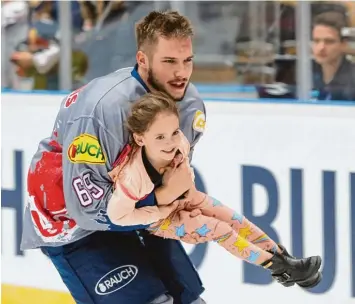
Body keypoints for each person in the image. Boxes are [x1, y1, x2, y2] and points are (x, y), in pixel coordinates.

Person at [21, 10, 207, 304]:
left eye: (188, 61)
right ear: (142, 60)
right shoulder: (102, 109)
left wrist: (178, 201)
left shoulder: (190, 104)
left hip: (138, 209)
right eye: (169, 62)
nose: (181, 73)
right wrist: (162, 198)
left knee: (190, 300)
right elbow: (86, 209)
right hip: (72, 223)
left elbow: (170, 179)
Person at [107, 92, 323, 289]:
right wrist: (161, 211)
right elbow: (118, 216)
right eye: (160, 137)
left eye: (174, 132)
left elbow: (185, 172)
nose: (171, 142)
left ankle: (287, 262)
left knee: (235, 220)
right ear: (140, 138)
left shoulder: (180, 142)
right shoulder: (133, 177)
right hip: (161, 221)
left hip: (188, 198)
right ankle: (278, 268)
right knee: (217, 228)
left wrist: (186, 193)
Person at [312, 12, 355, 101]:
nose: (321, 48)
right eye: (316, 41)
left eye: (329, 41)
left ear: (343, 44)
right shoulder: (306, 74)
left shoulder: (352, 79)